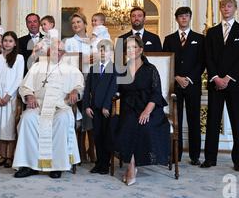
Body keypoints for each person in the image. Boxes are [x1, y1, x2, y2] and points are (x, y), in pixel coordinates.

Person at [12, 40, 84, 179]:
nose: (56, 53)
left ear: (64, 53)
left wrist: (75, 91)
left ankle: (57, 166)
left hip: (60, 106)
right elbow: (24, 86)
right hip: (39, 105)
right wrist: (29, 95)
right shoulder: (37, 66)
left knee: (62, 119)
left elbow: (80, 87)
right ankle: (29, 165)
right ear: (48, 52)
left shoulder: (71, 69)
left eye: (60, 51)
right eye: (54, 50)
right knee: (27, 118)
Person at [202, 0, 239, 172]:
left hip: (234, 84)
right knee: (212, 122)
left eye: (229, 6)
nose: (226, 9)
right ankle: (210, 158)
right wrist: (216, 78)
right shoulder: (212, 32)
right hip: (215, 83)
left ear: (235, 8)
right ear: (220, 9)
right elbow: (208, 57)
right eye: (223, 6)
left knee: (237, 122)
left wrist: (228, 78)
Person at [116, 35, 170, 185]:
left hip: (150, 108)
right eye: (128, 48)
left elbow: (156, 93)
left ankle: (131, 166)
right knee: (127, 125)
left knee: (144, 126)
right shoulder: (123, 69)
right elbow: (118, 90)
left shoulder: (150, 69)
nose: (131, 50)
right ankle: (132, 165)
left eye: (134, 47)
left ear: (140, 49)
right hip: (129, 108)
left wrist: (147, 111)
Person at [163, 7, 204, 165]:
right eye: (181, 16)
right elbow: (167, 61)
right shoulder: (169, 39)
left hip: (192, 85)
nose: (184, 18)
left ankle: (195, 156)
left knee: (194, 121)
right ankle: (176, 154)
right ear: (177, 19)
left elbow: (202, 62)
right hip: (175, 86)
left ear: (190, 18)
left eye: (186, 16)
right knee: (175, 120)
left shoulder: (200, 38)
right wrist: (176, 78)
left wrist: (188, 78)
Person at [64, 12, 96, 163]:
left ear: (85, 23)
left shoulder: (94, 40)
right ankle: (81, 148)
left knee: (92, 111)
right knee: (80, 110)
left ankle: (92, 147)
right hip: (76, 78)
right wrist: (82, 59)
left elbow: (101, 57)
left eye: (79, 22)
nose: (76, 25)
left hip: (93, 78)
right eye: (73, 23)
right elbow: (66, 60)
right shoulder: (69, 41)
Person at [83, 39, 117, 175]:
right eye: (101, 50)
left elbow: (112, 89)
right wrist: (86, 106)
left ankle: (105, 163)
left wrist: (106, 106)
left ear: (111, 53)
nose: (103, 53)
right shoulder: (93, 68)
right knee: (97, 136)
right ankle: (99, 162)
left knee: (106, 136)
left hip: (106, 109)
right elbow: (87, 90)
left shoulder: (115, 69)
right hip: (94, 108)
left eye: (106, 50)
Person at [0, 31, 24, 168]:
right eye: (5, 40)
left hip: (10, 97)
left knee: (9, 127)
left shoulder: (19, 58)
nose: (7, 43)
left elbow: (18, 79)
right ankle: (2, 156)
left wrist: (8, 95)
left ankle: (10, 156)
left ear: (15, 43)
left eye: (10, 41)